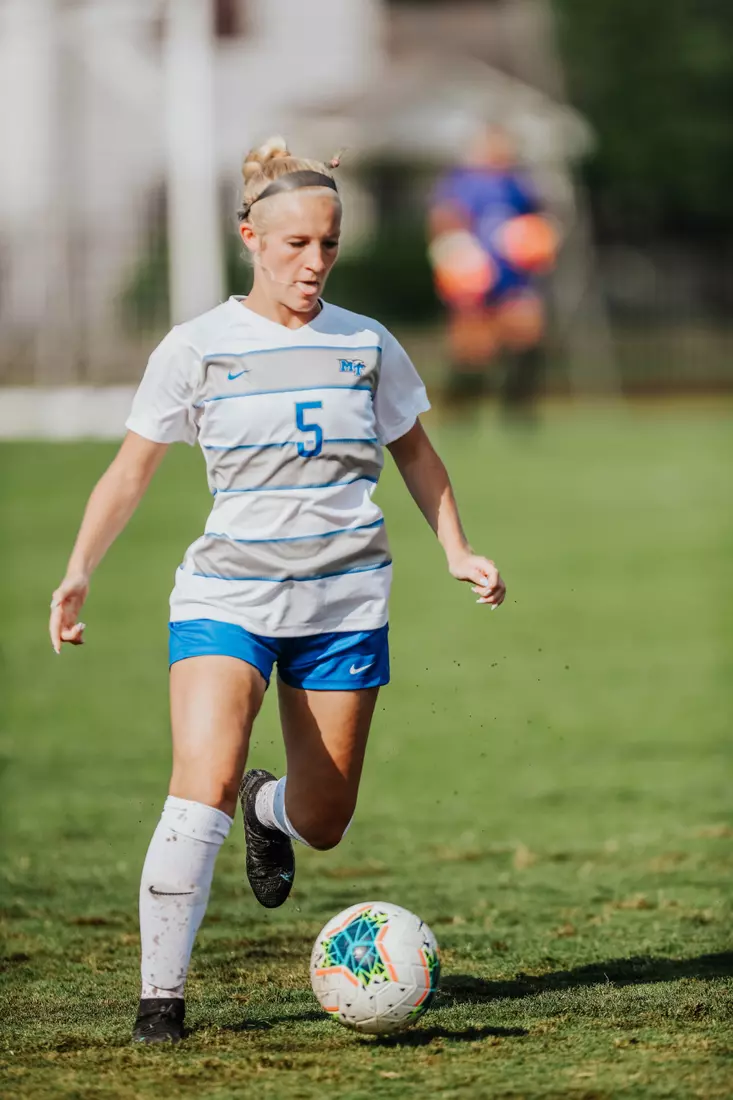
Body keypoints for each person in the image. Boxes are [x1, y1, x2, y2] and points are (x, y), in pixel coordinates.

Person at [48, 136, 506, 1044]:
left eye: (327, 245)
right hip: (228, 597)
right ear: (249, 236)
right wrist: (78, 571)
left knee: (324, 821)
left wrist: (455, 547)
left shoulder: (366, 343)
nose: (313, 263)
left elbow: (414, 451)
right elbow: (130, 472)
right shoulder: (197, 348)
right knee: (200, 779)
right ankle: (160, 1005)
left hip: (343, 603)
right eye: (294, 244)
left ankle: (270, 807)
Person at [428, 124, 556, 418]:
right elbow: (444, 224)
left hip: (514, 278)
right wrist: (458, 262)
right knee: (473, 352)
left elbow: (536, 225)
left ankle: (518, 410)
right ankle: (459, 411)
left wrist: (541, 243)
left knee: (528, 337)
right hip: (474, 278)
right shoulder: (461, 184)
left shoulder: (519, 184)